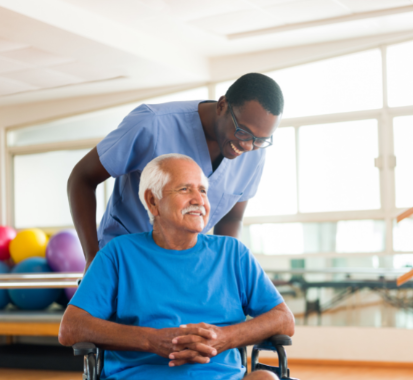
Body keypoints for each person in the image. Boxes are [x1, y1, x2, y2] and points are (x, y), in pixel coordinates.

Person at [59, 154, 295, 380]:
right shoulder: (118, 254)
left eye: (203, 190)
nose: (199, 199)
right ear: (153, 201)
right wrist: (150, 340)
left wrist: (226, 337)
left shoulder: (233, 254)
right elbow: (71, 328)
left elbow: (284, 319)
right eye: (185, 189)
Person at [67, 73, 284, 271]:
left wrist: (225, 270)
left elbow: (231, 219)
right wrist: (92, 256)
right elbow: (82, 178)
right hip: (123, 264)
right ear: (222, 105)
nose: (247, 146)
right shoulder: (152, 125)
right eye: (242, 132)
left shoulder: (254, 153)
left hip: (182, 270)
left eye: (260, 140)